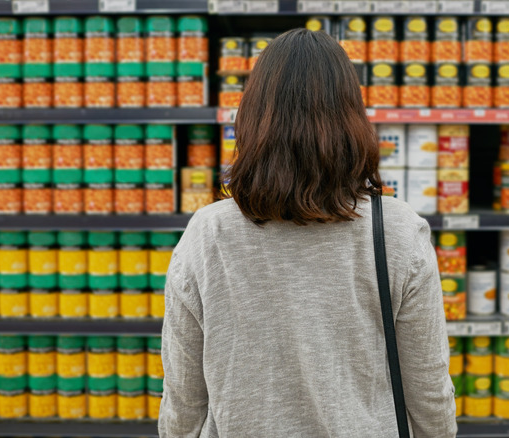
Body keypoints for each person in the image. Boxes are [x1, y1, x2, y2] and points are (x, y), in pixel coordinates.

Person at [159, 28, 456, 438]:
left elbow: (183, 404)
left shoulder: (208, 234)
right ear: (352, 118)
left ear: (251, 118)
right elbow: (429, 395)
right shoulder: (398, 231)